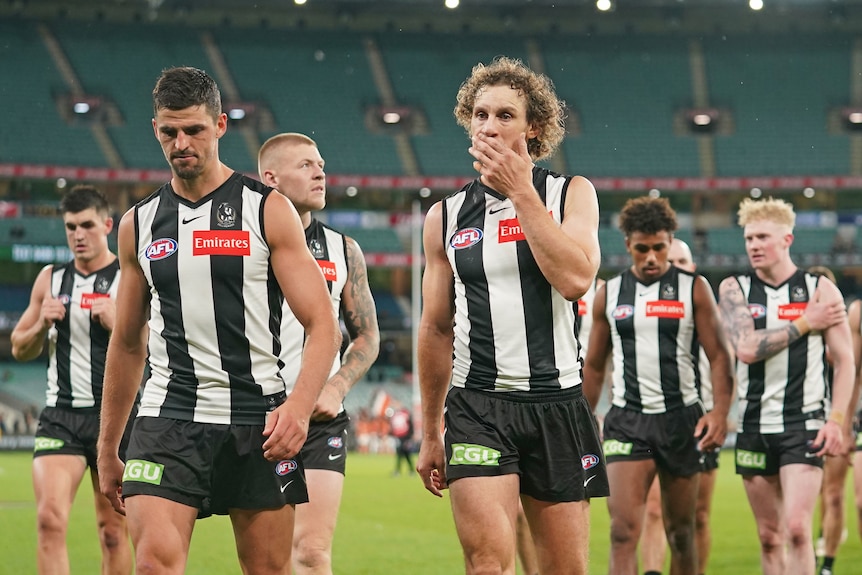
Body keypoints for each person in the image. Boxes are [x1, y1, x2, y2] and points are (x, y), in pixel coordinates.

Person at [95, 66, 341, 575]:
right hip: (168, 418)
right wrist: (106, 445)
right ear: (155, 130)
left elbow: (322, 323)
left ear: (221, 126)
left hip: (259, 422)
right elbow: (126, 343)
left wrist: (297, 408)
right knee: (153, 565)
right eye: (169, 131)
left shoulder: (268, 209)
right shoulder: (137, 224)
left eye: (194, 130)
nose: (181, 142)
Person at [415, 56, 608, 575]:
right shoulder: (445, 217)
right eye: (480, 114)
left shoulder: (572, 194)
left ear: (534, 127)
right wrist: (431, 429)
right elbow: (434, 328)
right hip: (479, 407)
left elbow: (575, 278)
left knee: (565, 568)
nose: (489, 126)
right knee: (486, 563)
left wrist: (522, 192)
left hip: (557, 402)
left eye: (505, 115)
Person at [583, 197, 733, 575]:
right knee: (621, 531)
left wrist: (719, 413)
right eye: (642, 249)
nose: (651, 257)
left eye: (659, 248)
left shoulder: (694, 289)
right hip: (627, 421)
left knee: (681, 533)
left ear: (670, 242)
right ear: (628, 245)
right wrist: (584, 419)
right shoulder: (610, 294)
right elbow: (596, 366)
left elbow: (719, 356)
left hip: (682, 421)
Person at [257, 132, 380, 575]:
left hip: (319, 421)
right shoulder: (244, 242)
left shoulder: (344, 249)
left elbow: (366, 337)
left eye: (321, 163)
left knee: (310, 552)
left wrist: (336, 385)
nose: (320, 172)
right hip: (255, 415)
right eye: (306, 164)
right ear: (271, 178)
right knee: (269, 560)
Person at [717, 197, 854, 575]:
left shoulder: (820, 289)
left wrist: (836, 419)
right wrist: (806, 323)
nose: (754, 245)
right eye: (748, 238)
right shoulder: (734, 288)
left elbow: (845, 361)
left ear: (787, 239)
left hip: (804, 424)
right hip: (753, 425)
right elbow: (745, 348)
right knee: (769, 535)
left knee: (796, 529)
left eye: (762, 237)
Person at [10, 184, 133, 575]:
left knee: (113, 530)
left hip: (114, 419)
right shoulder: (50, 278)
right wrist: (40, 324)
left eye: (86, 225)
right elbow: (19, 348)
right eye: (70, 228)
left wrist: (120, 327)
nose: (78, 235)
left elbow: (155, 348)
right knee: (49, 520)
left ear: (107, 225)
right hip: (61, 416)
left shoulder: (129, 279)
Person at [638, 237, 722, 575]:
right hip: (652, 419)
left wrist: (719, 413)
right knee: (656, 510)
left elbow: (724, 365)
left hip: (701, 423)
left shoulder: (708, 311)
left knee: (698, 516)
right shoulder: (643, 312)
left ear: (693, 268)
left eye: (681, 262)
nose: (672, 268)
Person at [515, 275, 605, 575]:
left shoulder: (603, 292)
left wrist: (600, 412)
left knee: (570, 513)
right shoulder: (522, 277)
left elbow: (610, 358)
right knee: (516, 514)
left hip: (574, 408)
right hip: (523, 401)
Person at [807, 267, 860, 575]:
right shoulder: (794, 325)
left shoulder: (843, 325)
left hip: (836, 414)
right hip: (806, 415)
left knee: (834, 491)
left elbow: (851, 366)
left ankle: (826, 563)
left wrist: (844, 420)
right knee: (816, 489)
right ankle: (814, 541)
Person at [389, 401, 416, 476]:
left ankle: (400, 471)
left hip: (405, 436)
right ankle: (409, 471)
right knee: (402, 454)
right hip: (398, 437)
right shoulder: (395, 415)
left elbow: (410, 425)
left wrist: (410, 436)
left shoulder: (405, 413)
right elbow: (393, 426)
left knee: (404, 453)